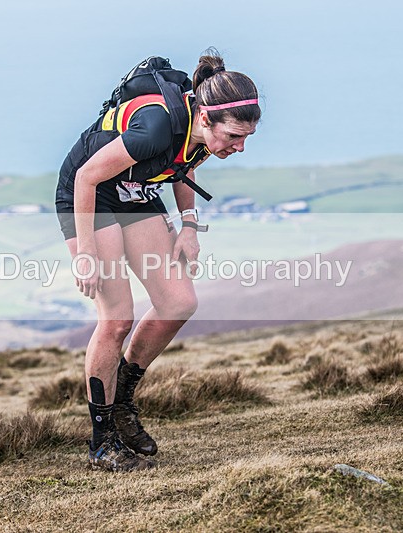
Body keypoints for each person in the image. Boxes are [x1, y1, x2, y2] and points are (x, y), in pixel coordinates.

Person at [56, 50, 260, 472]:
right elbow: (85, 177)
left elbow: (184, 165)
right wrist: (86, 253)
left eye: (245, 139)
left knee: (179, 302)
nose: (239, 148)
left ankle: (123, 403)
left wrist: (189, 226)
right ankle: (101, 441)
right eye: (234, 137)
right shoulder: (155, 128)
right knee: (116, 320)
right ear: (205, 118)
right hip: (91, 196)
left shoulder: (204, 133)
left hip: (134, 192)